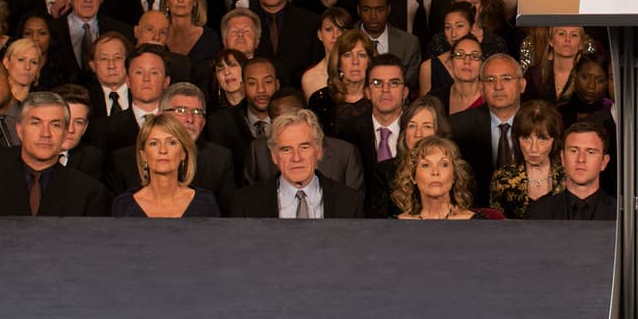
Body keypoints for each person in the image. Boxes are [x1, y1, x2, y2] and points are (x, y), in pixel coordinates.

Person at [231, 109, 364, 218]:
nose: (296, 158)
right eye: (286, 149)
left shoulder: (350, 201)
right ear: (274, 156)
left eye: (304, 147)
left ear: (318, 151)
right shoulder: (246, 203)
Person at [113, 113, 219, 217]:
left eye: (171, 143)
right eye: (154, 143)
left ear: (183, 153)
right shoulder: (124, 205)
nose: (163, 150)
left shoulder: (204, 203)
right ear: (143, 155)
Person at [390, 134, 501, 219]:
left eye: (444, 164)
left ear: (454, 176)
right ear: (413, 177)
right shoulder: (395, 225)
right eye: (425, 165)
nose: (435, 172)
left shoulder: (477, 223)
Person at [525, 117, 616, 219]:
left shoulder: (622, 215)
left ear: (604, 162)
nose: (581, 159)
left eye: (590, 152)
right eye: (574, 151)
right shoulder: (538, 212)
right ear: (562, 158)